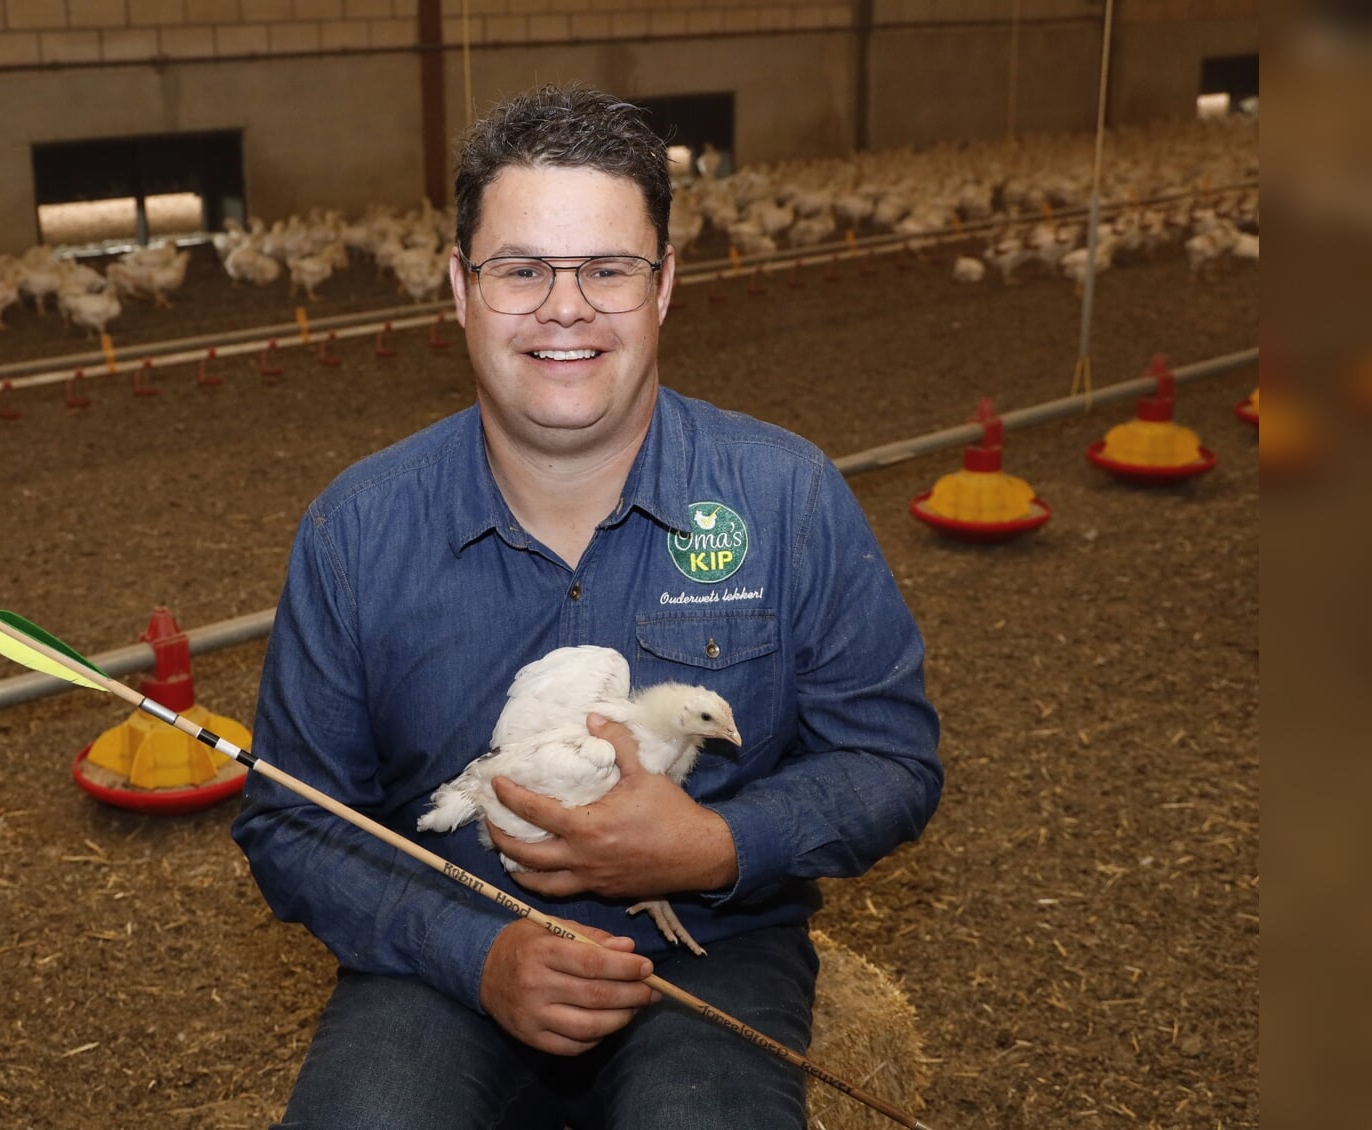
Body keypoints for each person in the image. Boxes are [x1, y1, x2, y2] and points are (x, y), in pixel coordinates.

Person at [231, 83, 941, 1129]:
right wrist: (477, 952)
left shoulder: (784, 497)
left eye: (607, 268)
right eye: (521, 269)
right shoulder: (358, 530)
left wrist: (719, 844)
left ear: (663, 288)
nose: (566, 306)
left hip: (715, 945)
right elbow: (292, 817)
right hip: (448, 944)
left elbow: (893, 758)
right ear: (460, 291)